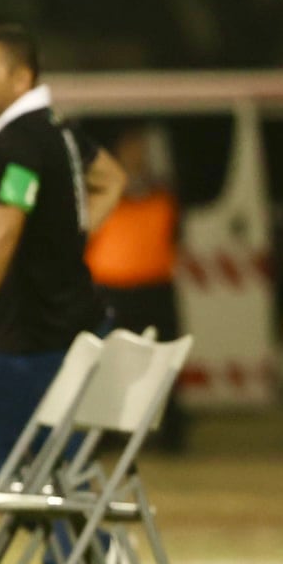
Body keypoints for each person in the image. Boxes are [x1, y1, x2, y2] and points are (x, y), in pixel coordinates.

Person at [0, 23, 125, 564]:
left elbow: (3, 235)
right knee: (57, 469)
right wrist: (67, 237)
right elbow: (111, 179)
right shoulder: (54, 128)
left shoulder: (20, 140)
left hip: (35, 336)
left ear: (20, 77)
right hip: (73, 324)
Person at [85, 124, 186, 450]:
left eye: (141, 149)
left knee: (165, 364)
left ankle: (171, 433)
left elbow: (174, 234)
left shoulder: (163, 193)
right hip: (110, 289)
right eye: (130, 149)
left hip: (155, 287)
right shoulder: (103, 192)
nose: (136, 156)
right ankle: (103, 436)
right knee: (110, 366)